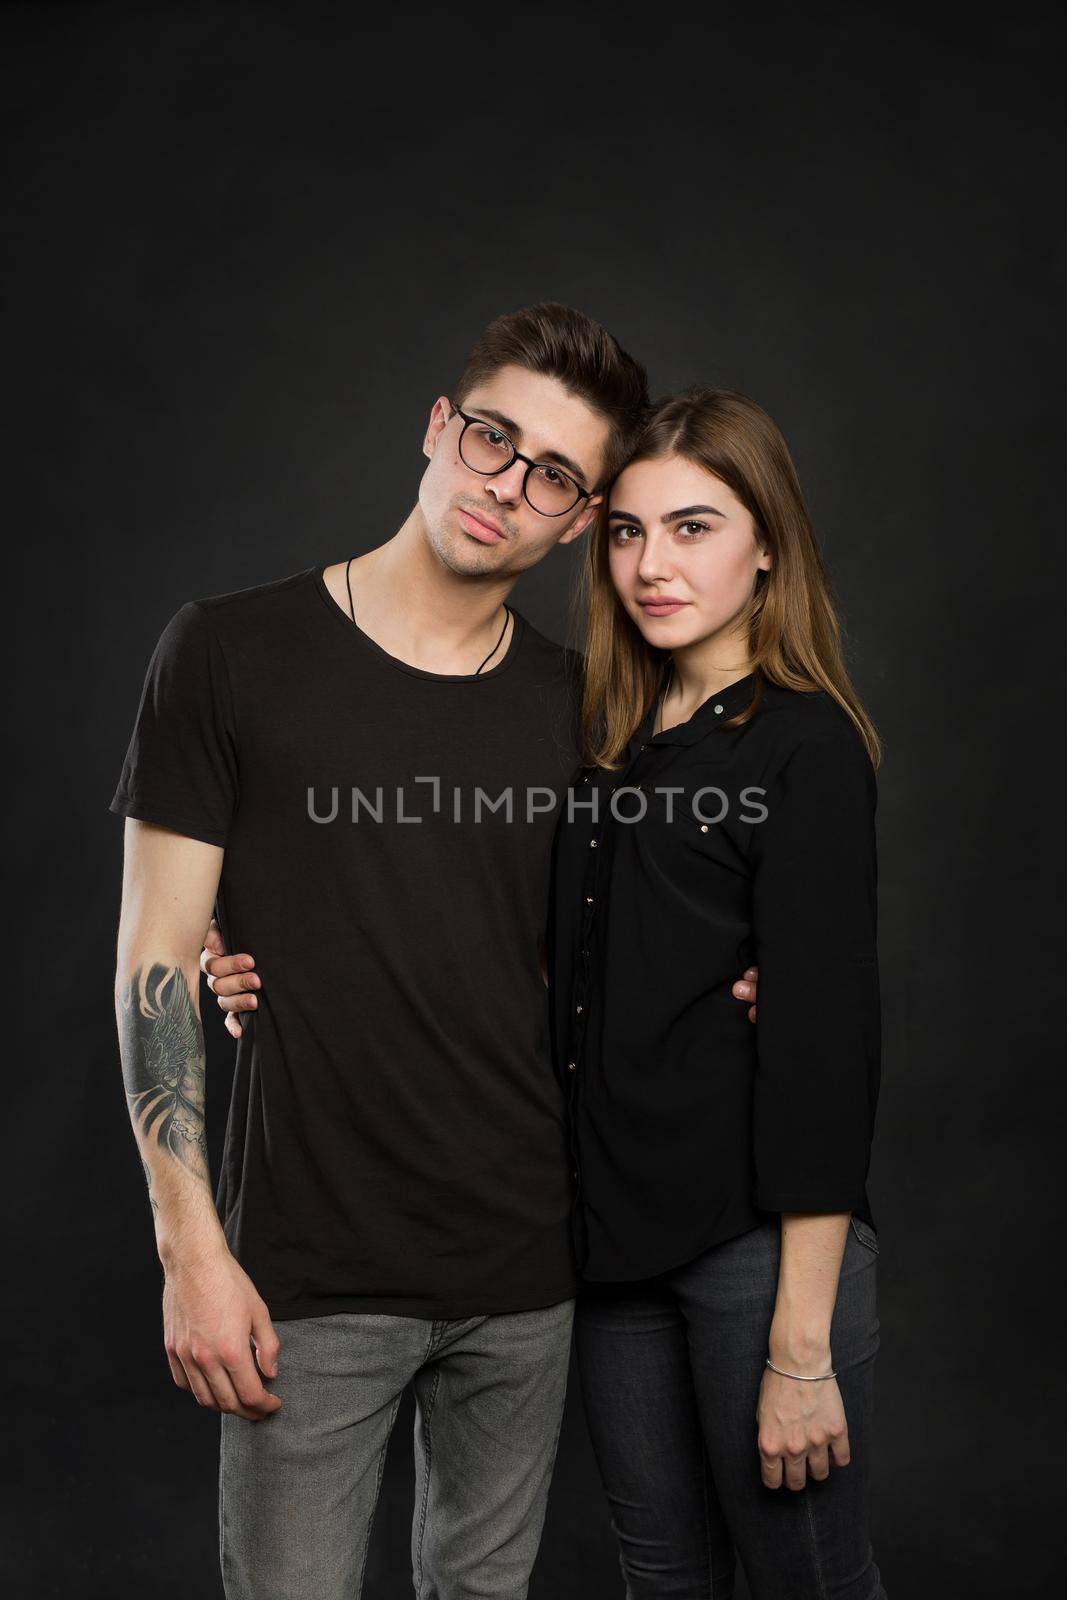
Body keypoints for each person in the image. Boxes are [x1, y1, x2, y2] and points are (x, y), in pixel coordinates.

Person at [111, 303, 764, 1600]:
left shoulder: (586, 714)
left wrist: (739, 979)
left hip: (525, 1276)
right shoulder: (229, 653)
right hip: (304, 1277)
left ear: (578, 518)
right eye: (488, 438)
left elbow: (610, 969)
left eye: (553, 476)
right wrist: (191, 1251)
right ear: (435, 427)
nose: (505, 488)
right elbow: (156, 961)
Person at [550, 386, 885, 1598]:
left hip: (753, 1247)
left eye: (691, 527)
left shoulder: (802, 744)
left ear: (765, 547)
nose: (650, 563)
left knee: (806, 1580)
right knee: (662, 1578)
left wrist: (799, 1349)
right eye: (627, 530)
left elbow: (823, 1052)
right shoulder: (605, 738)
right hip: (609, 1248)